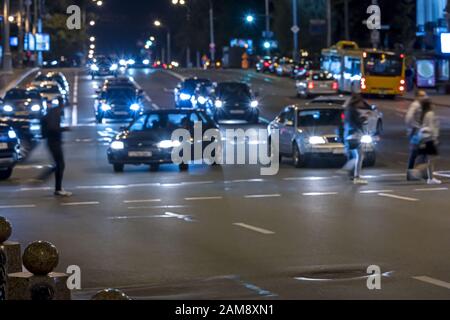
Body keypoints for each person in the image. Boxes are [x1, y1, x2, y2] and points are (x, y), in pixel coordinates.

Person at [41, 99, 72, 197]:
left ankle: (57, 187)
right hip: (54, 142)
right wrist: (64, 129)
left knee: (59, 164)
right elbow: (52, 127)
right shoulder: (56, 113)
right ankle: (57, 188)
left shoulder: (53, 111)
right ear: (62, 104)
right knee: (60, 164)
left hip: (52, 142)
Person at [409, 98, 441, 184]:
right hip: (429, 138)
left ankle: (430, 178)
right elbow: (431, 127)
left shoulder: (424, 113)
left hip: (424, 138)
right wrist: (434, 138)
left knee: (429, 159)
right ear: (429, 105)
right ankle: (415, 172)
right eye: (431, 103)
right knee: (432, 159)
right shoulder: (430, 113)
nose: (433, 105)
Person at [342, 93, 369, 185]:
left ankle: (352, 173)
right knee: (360, 155)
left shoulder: (348, 110)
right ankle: (354, 174)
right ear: (357, 102)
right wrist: (363, 119)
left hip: (349, 134)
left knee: (356, 155)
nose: (362, 104)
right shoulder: (352, 111)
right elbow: (356, 123)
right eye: (360, 102)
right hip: (354, 134)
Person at [405, 90, 428, 180]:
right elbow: (408, 117)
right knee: (416, 152)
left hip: (420, 131)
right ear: (417, 97)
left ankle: (420, 174)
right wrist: (412, 127)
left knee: (421, 153)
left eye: (424, 95)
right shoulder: (415, 105)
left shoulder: (421, 105)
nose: (424, 97)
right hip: (417, 132)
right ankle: (416, 174)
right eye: (422, 96)